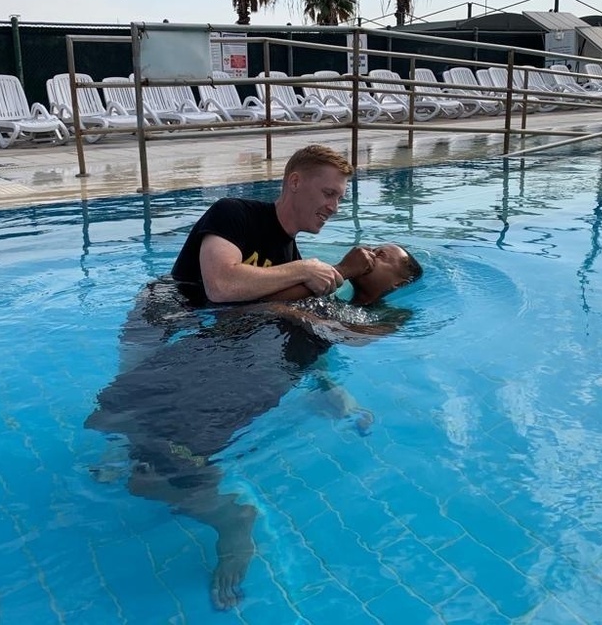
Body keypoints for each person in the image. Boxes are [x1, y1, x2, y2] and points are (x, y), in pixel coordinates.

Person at [86, 244, 423, 610]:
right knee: (126, 404)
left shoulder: (391, 314)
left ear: (398, 282)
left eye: (385, 256)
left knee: (158, 472)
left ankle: (232, 518)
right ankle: (134, 450)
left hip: (266, 367)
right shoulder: (321, 285)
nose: (371, 251)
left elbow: (349, 336)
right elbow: (255, 305)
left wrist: (315, 293)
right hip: (222, 346)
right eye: (374, 246)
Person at [170, 144, 360, 305]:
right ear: (295, 182)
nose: (334, 208)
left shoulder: (290, 257)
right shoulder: (232, 213)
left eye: (339, 199)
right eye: (328, 193)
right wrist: (304, 270)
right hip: (165, 312)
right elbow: (220, 286)